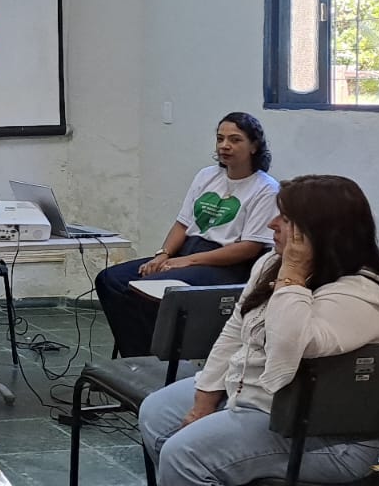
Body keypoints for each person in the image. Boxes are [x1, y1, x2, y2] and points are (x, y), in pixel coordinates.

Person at [138, 175, 379, 485]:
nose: (272, 224)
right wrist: (204, 401)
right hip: (262, 400)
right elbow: (235, 331)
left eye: (286, 218)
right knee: (157, 412)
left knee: (184, 454)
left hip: (328, 434)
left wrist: (293, 275)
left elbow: (285, 355)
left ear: (320, 231)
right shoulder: (273, 262)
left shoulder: (360, 293)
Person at [96, 112, 280, 357]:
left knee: (143, 289)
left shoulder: (265, 188)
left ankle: (160, 357)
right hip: (188, 252)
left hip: (226, 263)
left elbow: (248, 248)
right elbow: (182, 224)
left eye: (235, 140)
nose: (225, 146)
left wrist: (185, 261)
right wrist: (163, 255)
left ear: (254, 146)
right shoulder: (207, 176)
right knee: (110, 280)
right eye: (220, 139)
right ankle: (139, 355)